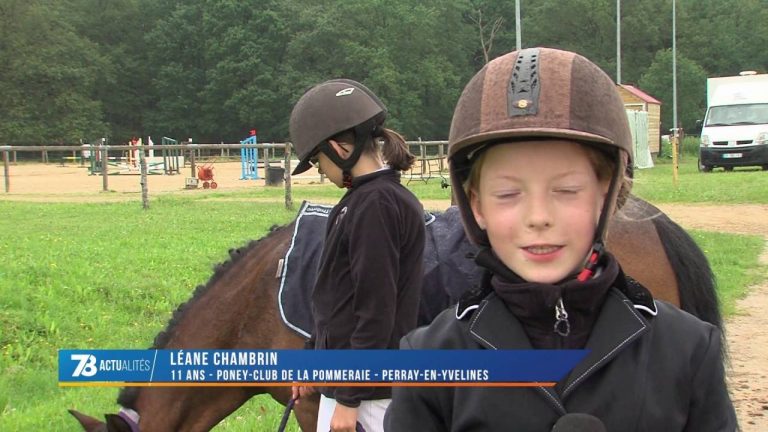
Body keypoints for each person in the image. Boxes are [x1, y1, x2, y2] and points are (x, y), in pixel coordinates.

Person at [384, 48, 737, 431]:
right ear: (477, 206)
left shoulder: (687, 349)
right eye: (508, 194)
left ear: (607, 194)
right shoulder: (429, 359)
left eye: (567, 190)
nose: (538, 218)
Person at [289, 79, 426, 432]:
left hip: (369, 396)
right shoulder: (362, 201)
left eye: (318, 159)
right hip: (351, 385)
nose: (320, 170)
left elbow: (376, 309)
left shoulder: (376, 206)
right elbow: (337, 300)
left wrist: (350, 401)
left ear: (338, 148)